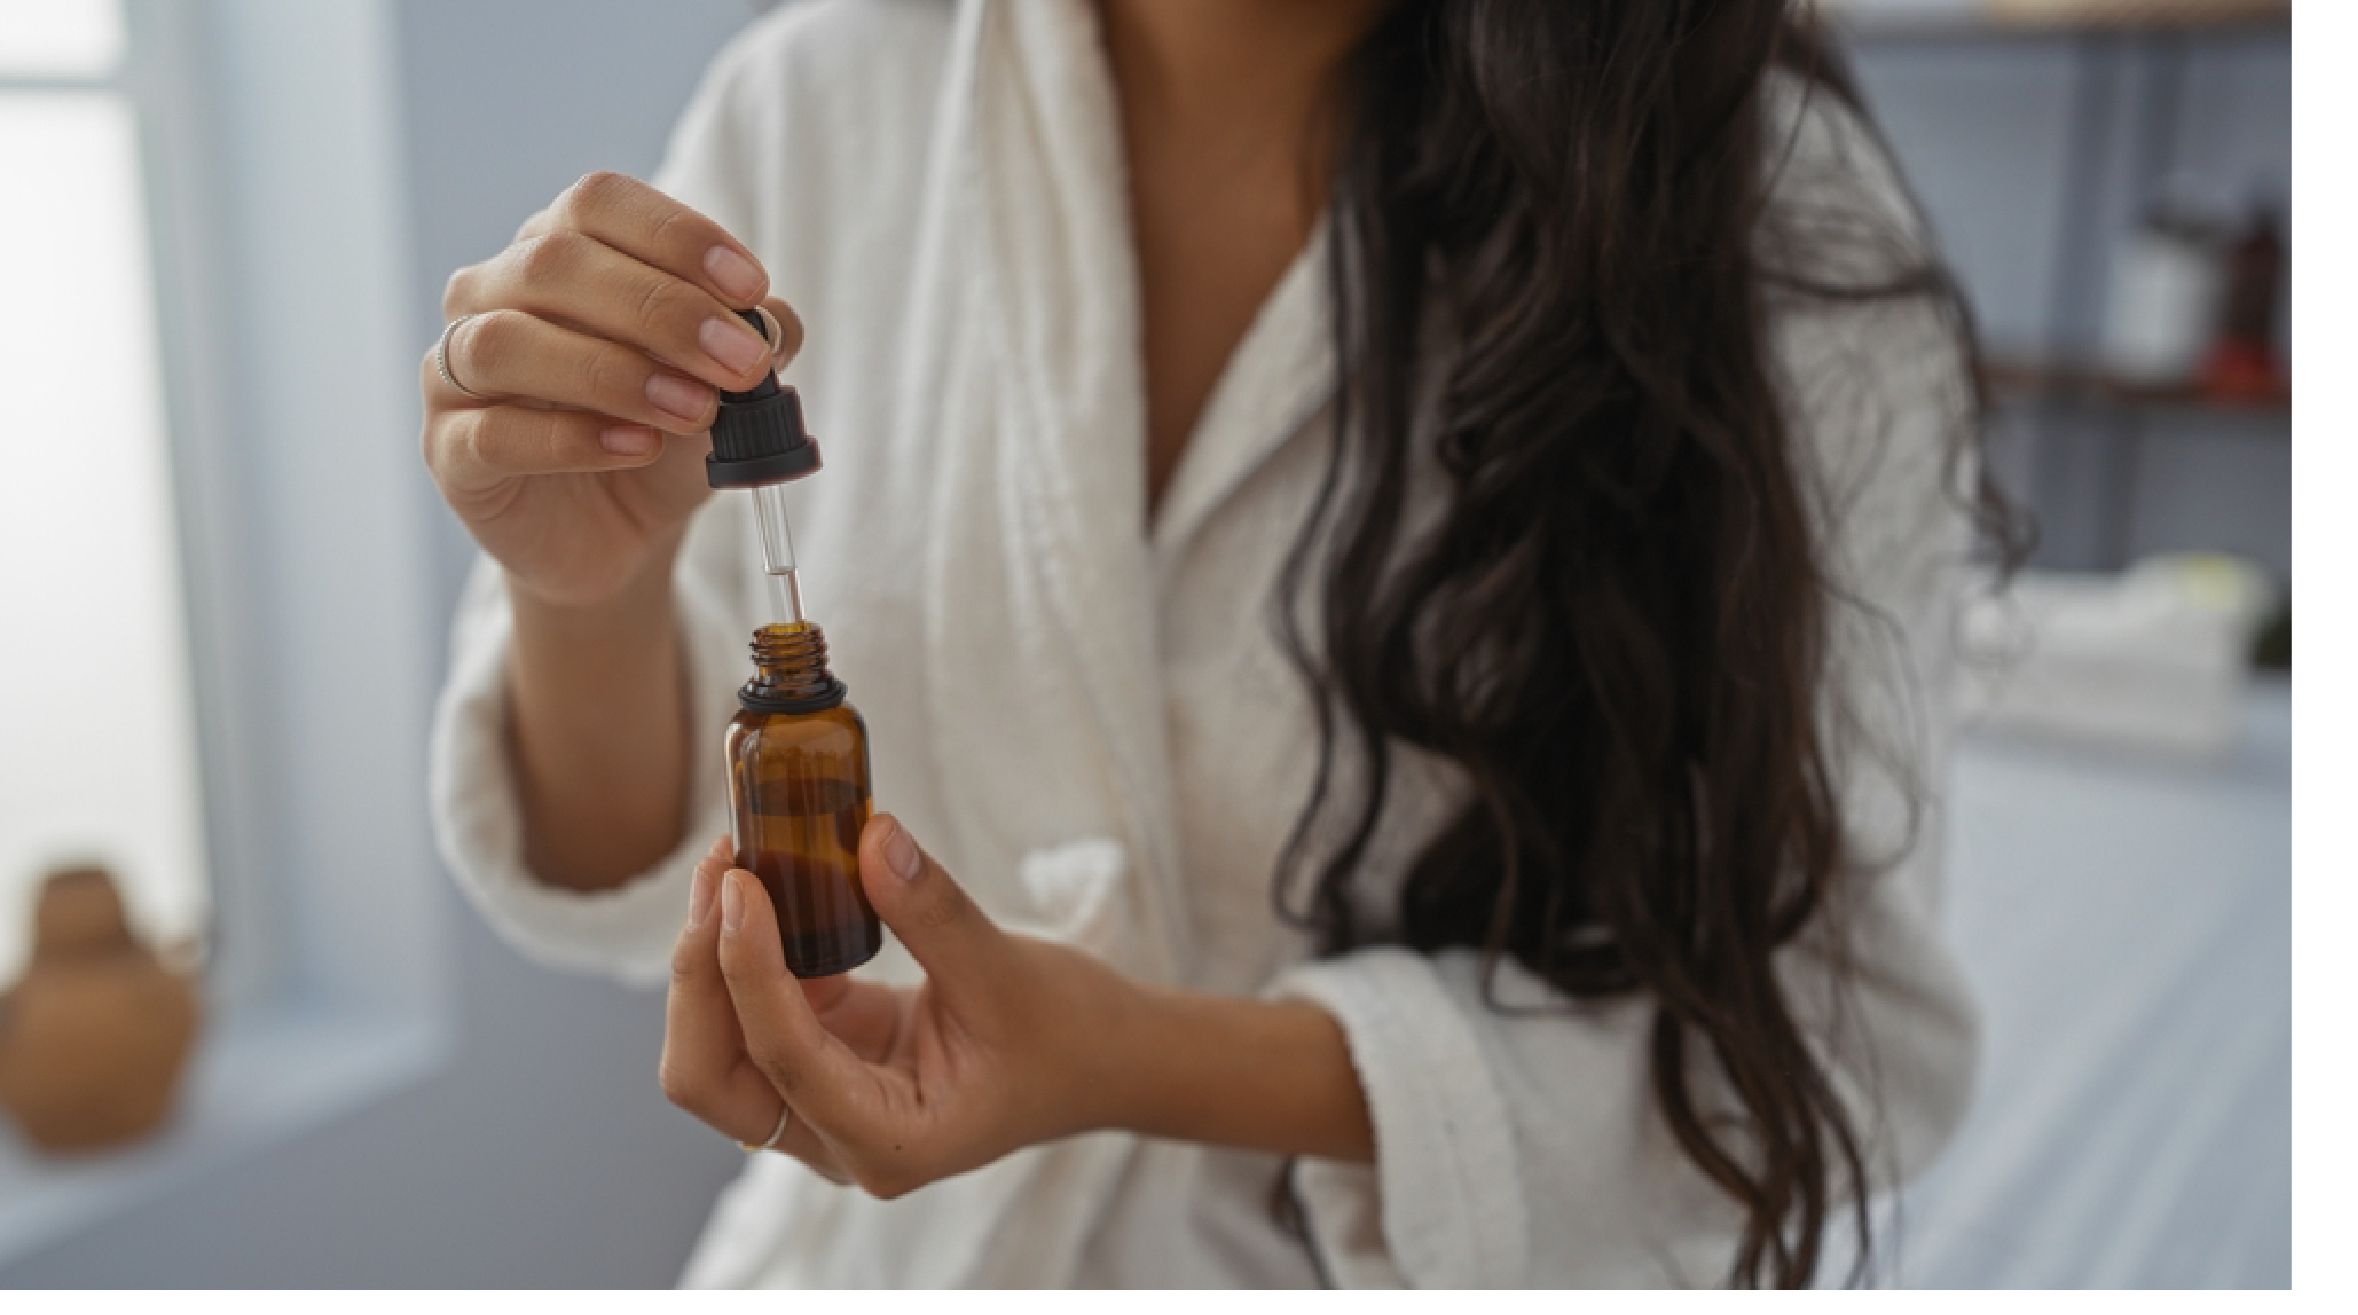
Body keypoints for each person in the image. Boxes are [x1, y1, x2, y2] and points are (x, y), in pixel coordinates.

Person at [420, 0, 2006, 1288]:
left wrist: (1143, 1062)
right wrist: (587, 596)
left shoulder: (1766, 229)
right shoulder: (812, 101)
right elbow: (622, 871)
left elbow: (1828, 1034)